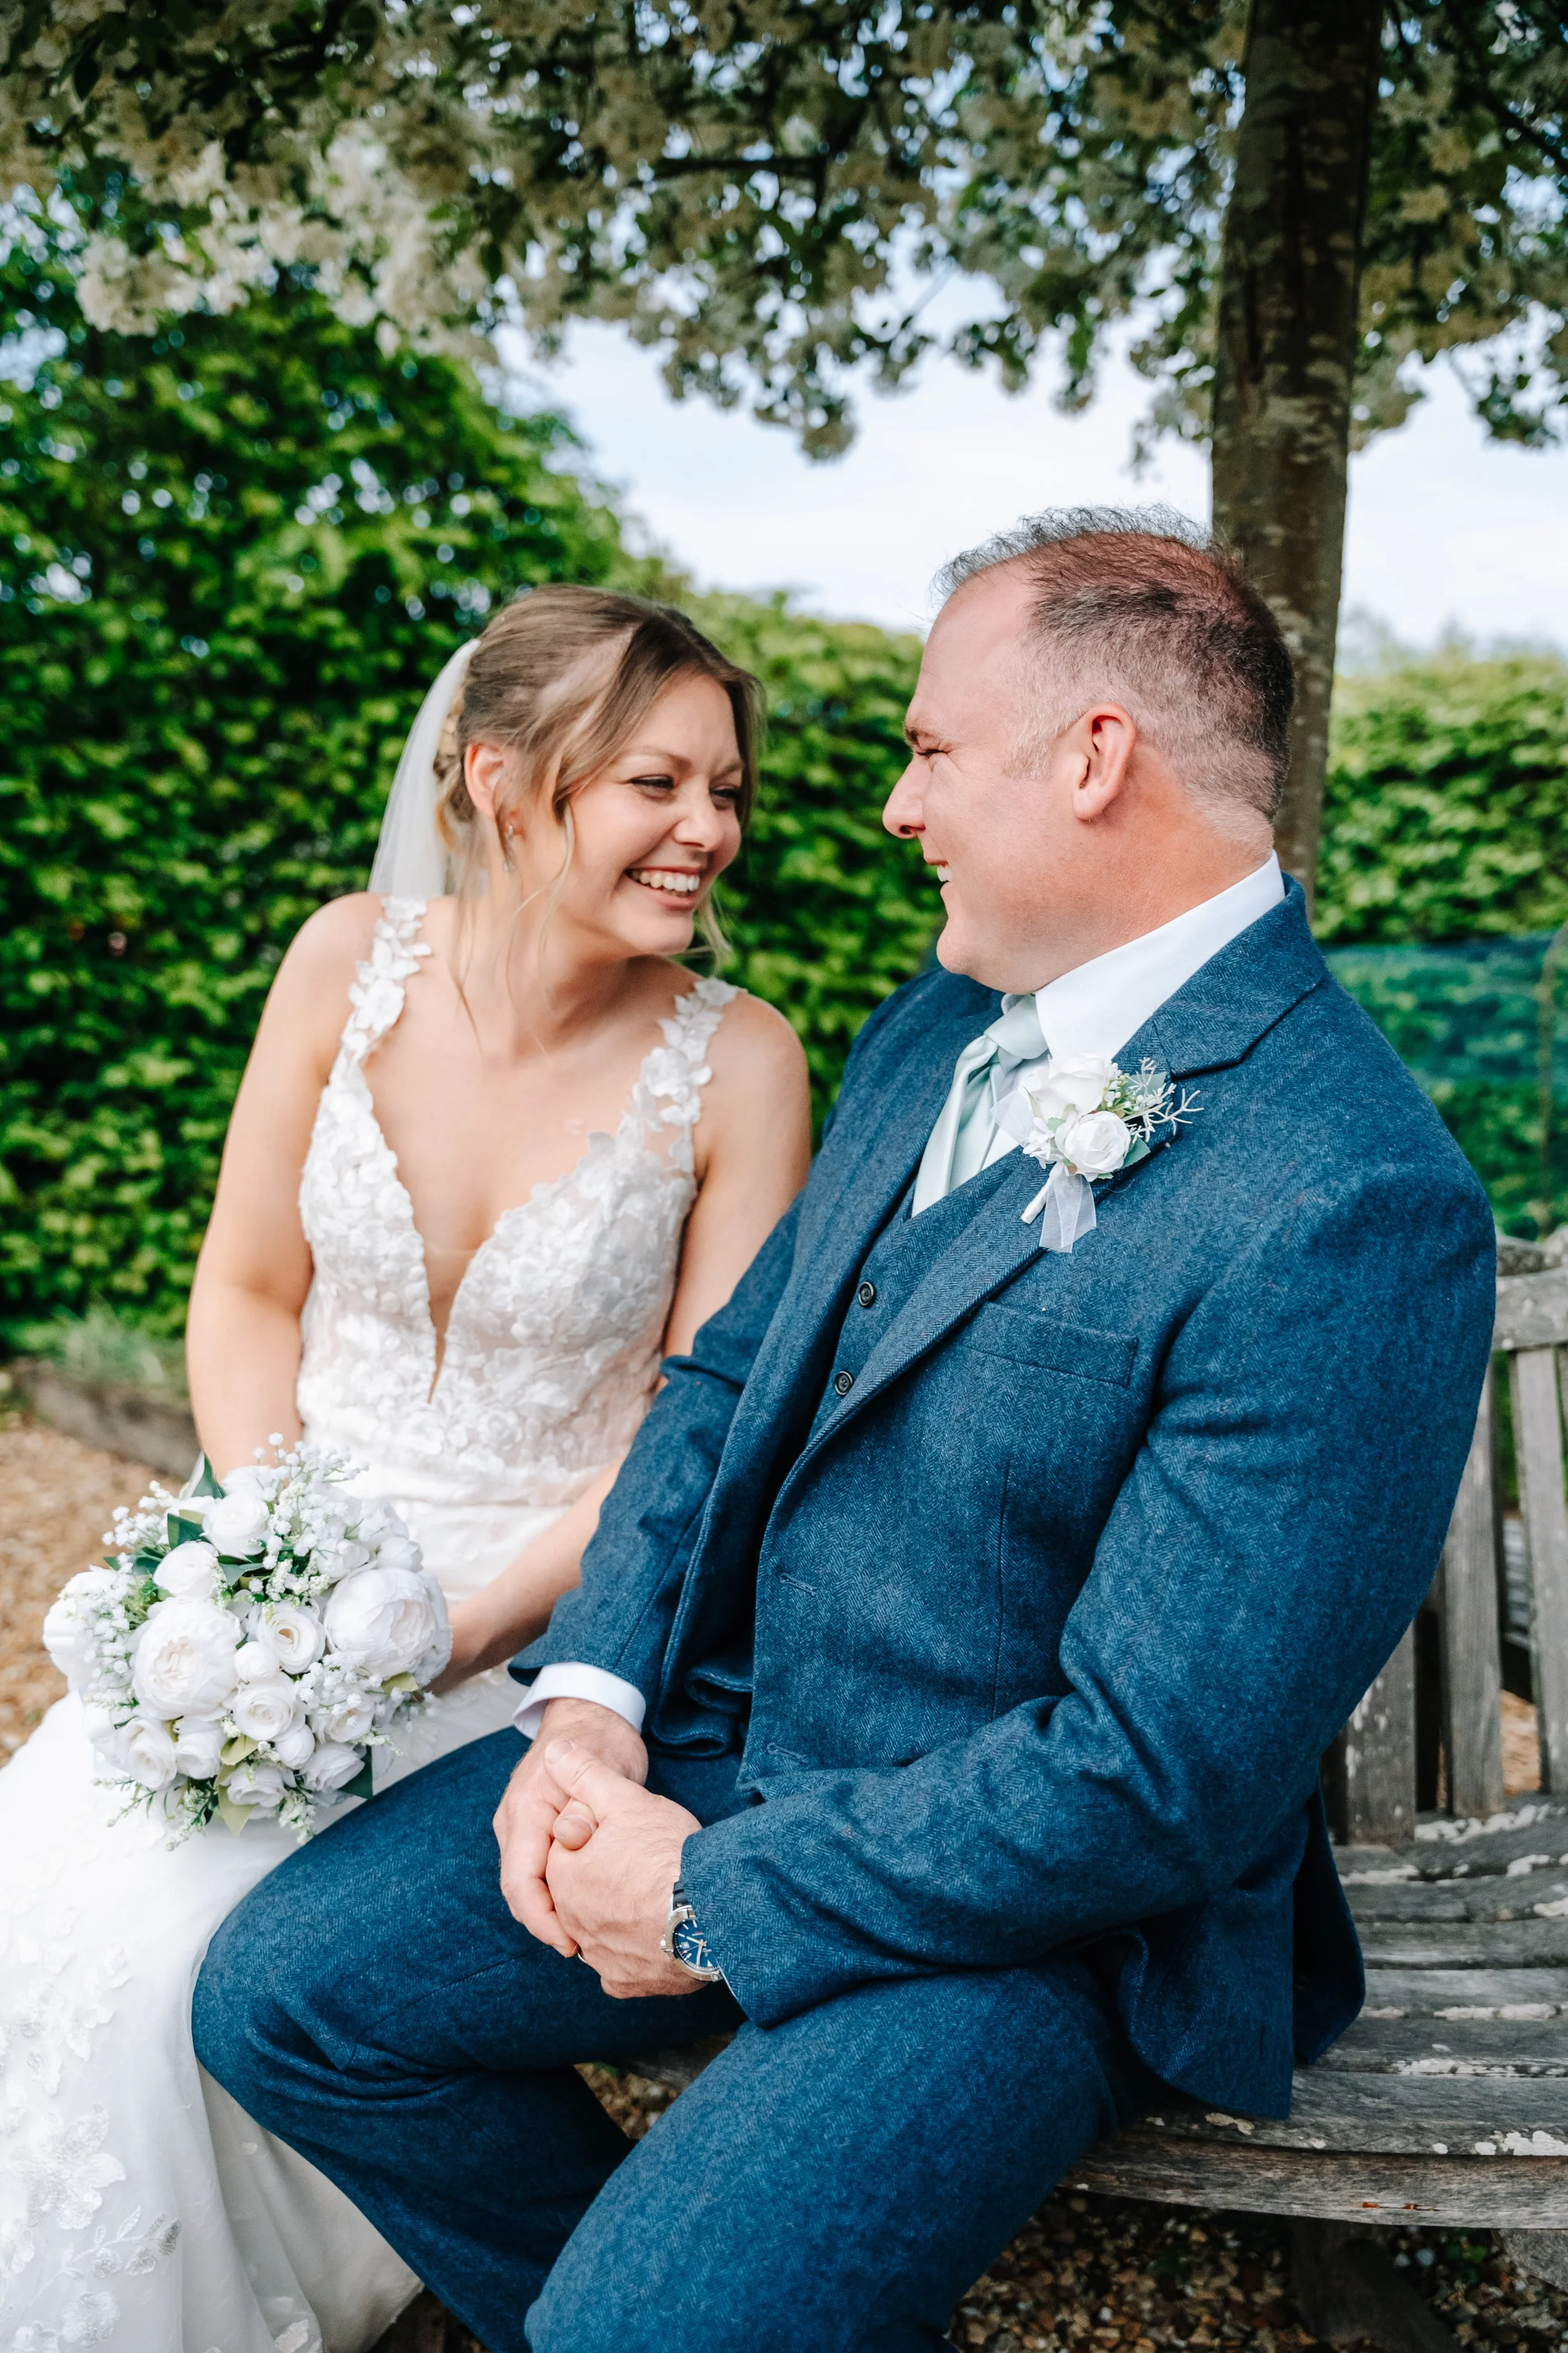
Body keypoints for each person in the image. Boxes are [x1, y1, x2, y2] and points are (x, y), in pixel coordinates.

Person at [194, 510, 1498, 2353]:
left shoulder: (1349, 1196)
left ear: (1094, 757)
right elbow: (722, 1380)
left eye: (926, 747)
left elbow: (1152, 1783)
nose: (894, 805)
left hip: (1045, 1911)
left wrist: (709, 1893)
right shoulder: (935, 1029)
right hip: (732, 1745)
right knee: (285, 1997)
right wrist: (593, 1703)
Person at [0, 587, 811, 2353]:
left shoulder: (737, 1064)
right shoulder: (337, 960)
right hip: (280, 1570)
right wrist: (262, 1549)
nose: (708, 832)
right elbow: (247, 1286)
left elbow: (697, 1432)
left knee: (174, 1977)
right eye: (655, 783)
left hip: (540, 1624)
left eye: (727, 790)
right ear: (502, 780)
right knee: (34, 1899)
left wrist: (430, 1632)